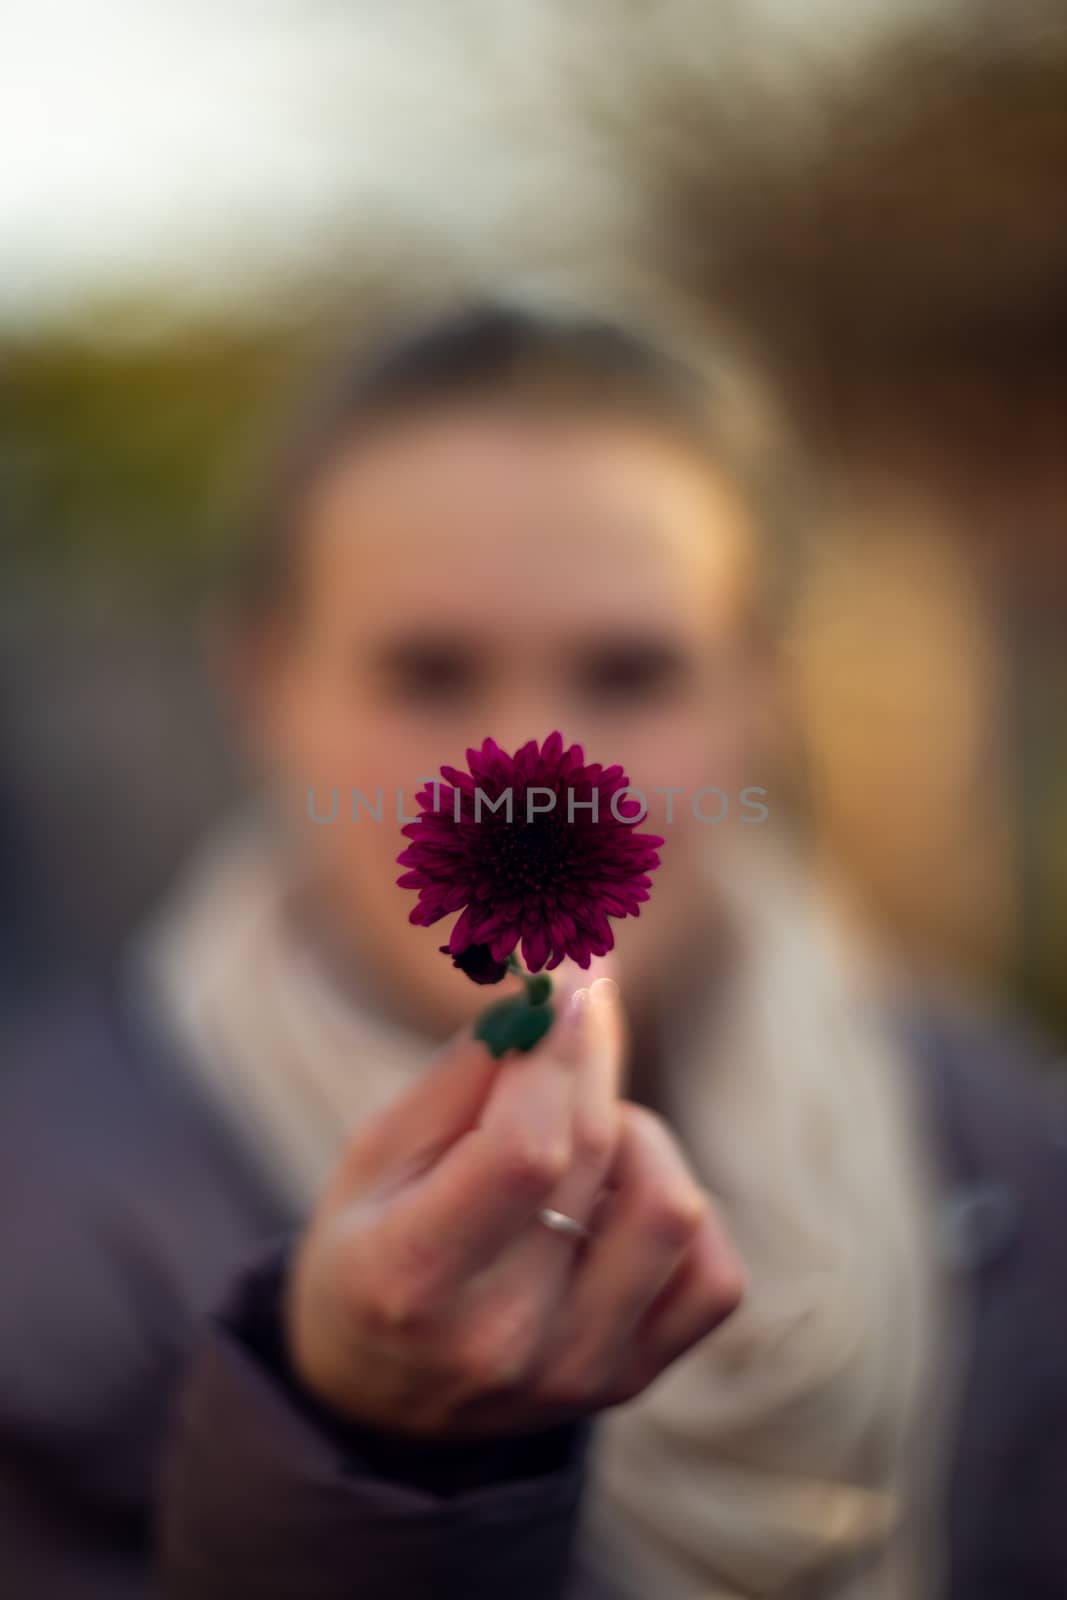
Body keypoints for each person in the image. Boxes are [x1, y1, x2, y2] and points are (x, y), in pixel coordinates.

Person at [2, 304, 1065, 1600]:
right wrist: (365, 1451)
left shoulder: (1006, 1137)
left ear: (760, 691)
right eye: (432, 673)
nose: (527, 769)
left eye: (628, 672)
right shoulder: (39, 1223)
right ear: (266, 682)